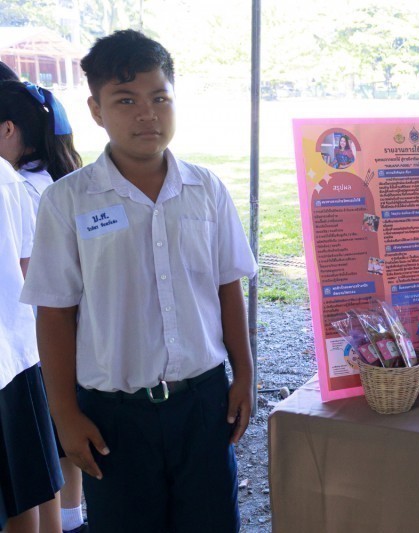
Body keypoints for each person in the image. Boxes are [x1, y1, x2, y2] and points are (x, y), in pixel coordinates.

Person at [21, 29, 257, 532]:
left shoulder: (206, 189)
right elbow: (55, 312)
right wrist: (65, 414)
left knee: (212, 521)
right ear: (96, 110)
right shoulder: (68, 201)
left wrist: (245, 375)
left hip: (203, 403)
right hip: (114, 416)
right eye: (125, 100)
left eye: (159, 98)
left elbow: (227, 286)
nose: (146, 114)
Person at [0, 79, 87, 533]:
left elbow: (30, 269)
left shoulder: (20, 184)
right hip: (37, 339)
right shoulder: (45, 178)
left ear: (9, 129)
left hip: (37, 336)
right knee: (45, 458)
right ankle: (73, 520)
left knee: (45, 451)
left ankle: (72, 519)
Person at [0, 157, 63, 532]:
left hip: (15, 350)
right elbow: (25, 265)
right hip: (16, 348)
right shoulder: (7, 175)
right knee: (29, 486)